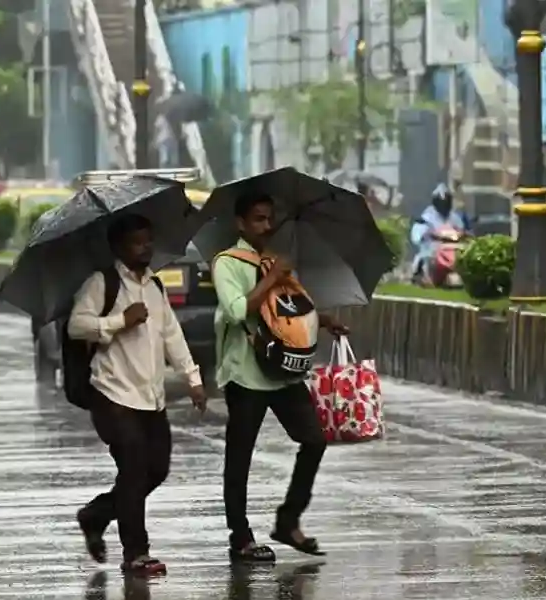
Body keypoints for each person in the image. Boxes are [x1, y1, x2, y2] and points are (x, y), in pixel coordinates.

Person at [212, 194, 348, 563]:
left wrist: (324, 319)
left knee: (314, 439)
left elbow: (289, 311)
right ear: (241, 223)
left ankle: (288, 520)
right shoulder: (227, 263)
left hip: (285, 372)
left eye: (269, 219)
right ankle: (240, 537)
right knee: (239, 458)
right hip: (246, 373)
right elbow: (237, 310)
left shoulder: (275, 261)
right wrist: (271, 277)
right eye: (258, 219)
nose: (266, 226)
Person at [69, 213, 207, 576]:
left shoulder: (155, 286)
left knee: (156, 470)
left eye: (148, 240)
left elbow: (171, 336)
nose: (145, 248)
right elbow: (77, 325)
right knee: (133, 469)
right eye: (137, 242)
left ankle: (97, 514)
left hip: (150, 395)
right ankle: (136, 553)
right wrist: (118, 321)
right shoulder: (102, 283)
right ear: (118, 246)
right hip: (112, 392)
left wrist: (192, 378)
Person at [409, 184, 468, 284]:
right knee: (424, 257)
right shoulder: (426, 217)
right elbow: (417, 235)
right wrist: (427, 234)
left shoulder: (455, 217)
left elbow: (463, 229)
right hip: (433, 248)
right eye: (441, 202)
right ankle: (420, 274)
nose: (444, 205)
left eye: (446, 202)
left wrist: (464, 234)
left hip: (452, 247)